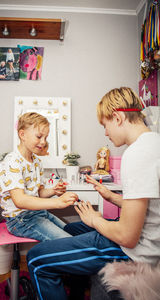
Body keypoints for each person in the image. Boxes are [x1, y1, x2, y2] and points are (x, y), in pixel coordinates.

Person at [27, 87, 160, 300]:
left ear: (117, 117)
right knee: (71, 227)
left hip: (135, 252)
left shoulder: (137, 154)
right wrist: (110, 197)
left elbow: (127, 236)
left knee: (35, 258)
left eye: (105, 125)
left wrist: (95, 220)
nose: (106, 133)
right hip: (142, 238)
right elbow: (151, 208)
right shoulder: (153, 143)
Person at [0, 112, 78, 241]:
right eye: (39, 136)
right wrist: (57, 202)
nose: (43, 142)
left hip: (37, 213)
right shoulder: (12, 162)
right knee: (67, 242)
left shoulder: (36, 162)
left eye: (45, 138)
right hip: (20, 220)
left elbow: (38, 193)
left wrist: (53, 191)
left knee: (72, 235)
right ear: (22, 134)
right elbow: (20, 201)